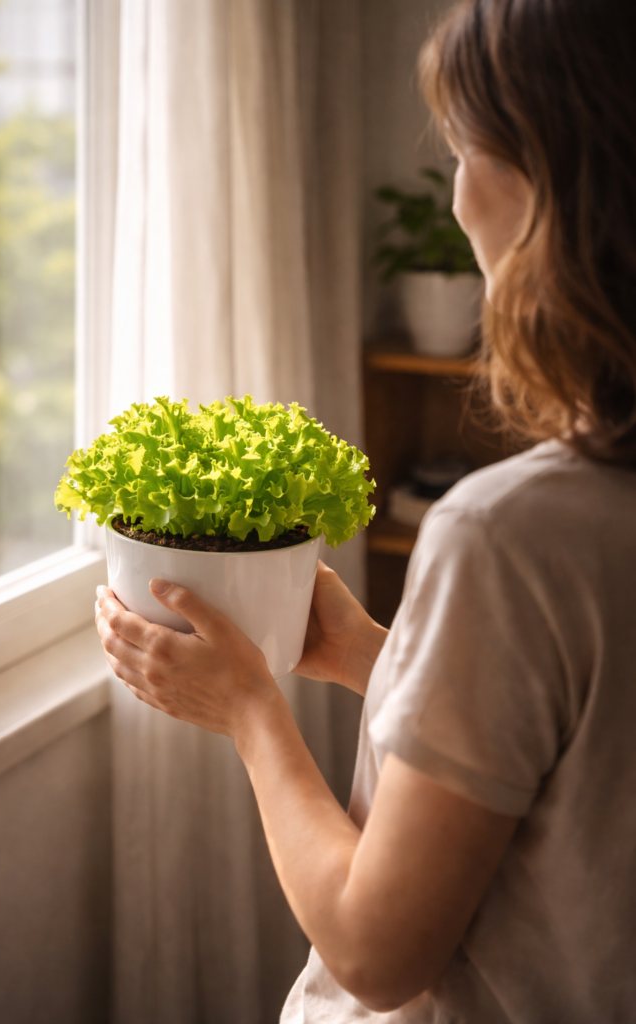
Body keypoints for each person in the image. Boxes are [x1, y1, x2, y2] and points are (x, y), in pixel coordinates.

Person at [95, 0, 636, 1019]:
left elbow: (375, 953)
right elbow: (583, 767)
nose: (455, 198)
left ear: (546, 192)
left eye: (464, 152)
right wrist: (367, 657)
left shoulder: (508, 532)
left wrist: (253, 711)